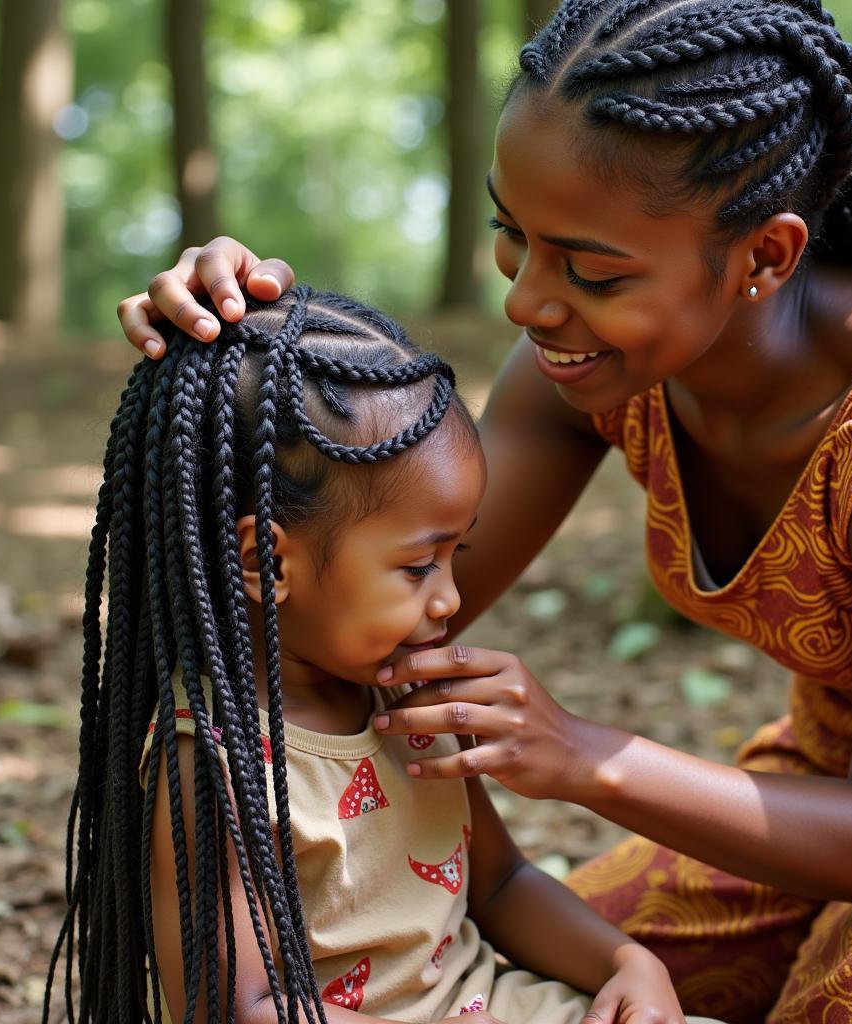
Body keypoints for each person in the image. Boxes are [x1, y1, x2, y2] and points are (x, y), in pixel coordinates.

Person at [116, 3, 852, 1022]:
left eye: (591, 269)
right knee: (534, 964)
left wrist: (582, 757)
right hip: (822, 782)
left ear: (765, 256)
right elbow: (369, 560)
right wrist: (239, 344)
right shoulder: (595, 359)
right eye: (511, 233)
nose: (527, 301)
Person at [46, 285, 725, 1024]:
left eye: (455, 555)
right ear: (267, 564)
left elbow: (498, 887)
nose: (449, 600)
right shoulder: (215, 760)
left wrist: (627, 964)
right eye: (417, 567)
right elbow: (238, 1009)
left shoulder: (408, 698)